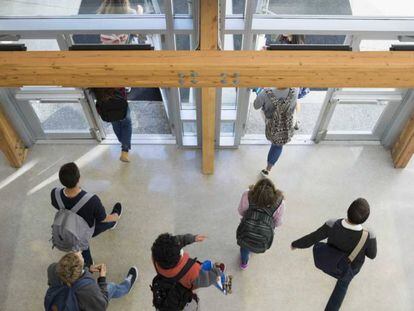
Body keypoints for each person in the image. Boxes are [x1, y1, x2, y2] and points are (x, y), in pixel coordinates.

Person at [291, 198, 377, 311]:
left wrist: (296, 244)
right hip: (350, 267)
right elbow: (372, 255)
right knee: (342, 285)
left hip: (329, 260)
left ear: (347, 210)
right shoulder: (368, 235)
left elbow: (313, 238)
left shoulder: (332, 224)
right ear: (366, 218)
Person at [51, 162, 122, 267]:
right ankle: (113, 223)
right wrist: (115, 216)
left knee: (80, 246)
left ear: (61, 181)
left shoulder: (55, 193)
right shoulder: (92, 200)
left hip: (65, 228)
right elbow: (103, 218)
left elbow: (56, 206)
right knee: (101, 224)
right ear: (79, 179)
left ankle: (88, 264)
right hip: (84, 231)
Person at [151, 233, 225, 310]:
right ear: (179, 254)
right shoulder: (192, 270)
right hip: (183, 303)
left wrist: (191, 238)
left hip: (166, 295)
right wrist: (217, 273)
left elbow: (172, 244)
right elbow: (207, 279)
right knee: (192, 306)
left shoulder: (156, 259)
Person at [45, 252, 137, 310]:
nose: (80, 252)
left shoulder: (53, 269)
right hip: (83, 301)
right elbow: (102, 304)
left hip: (60, 302)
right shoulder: (88, 289)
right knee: (111, 287)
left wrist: (88, 269)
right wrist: (102, 278)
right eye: (80, 256)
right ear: (80, 272)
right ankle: (126, 286)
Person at [236, 178, 285, 270]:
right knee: (255, 242)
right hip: (263, 235)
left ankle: (244, 263)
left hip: (246, 231)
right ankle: (255, 247)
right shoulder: (280, 202)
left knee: (244, 248)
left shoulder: (247, 194)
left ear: (256, 188)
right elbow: (278, 222)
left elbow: (241, 211)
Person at [253, 86, 299, 177]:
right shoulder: (295, 89)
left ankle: (272, 137)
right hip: (286, 124)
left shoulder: (265, 93)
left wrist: (260, 92)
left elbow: (255, 106)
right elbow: (296, 103)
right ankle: (268, 169)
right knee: (278, 147)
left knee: (263, 113)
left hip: (271, 123)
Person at [93, 88, 132, 162]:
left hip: (105, 104)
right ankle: (125, 150)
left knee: (115, 121)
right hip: (119, 102)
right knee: (127, 124)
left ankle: (124, 141)